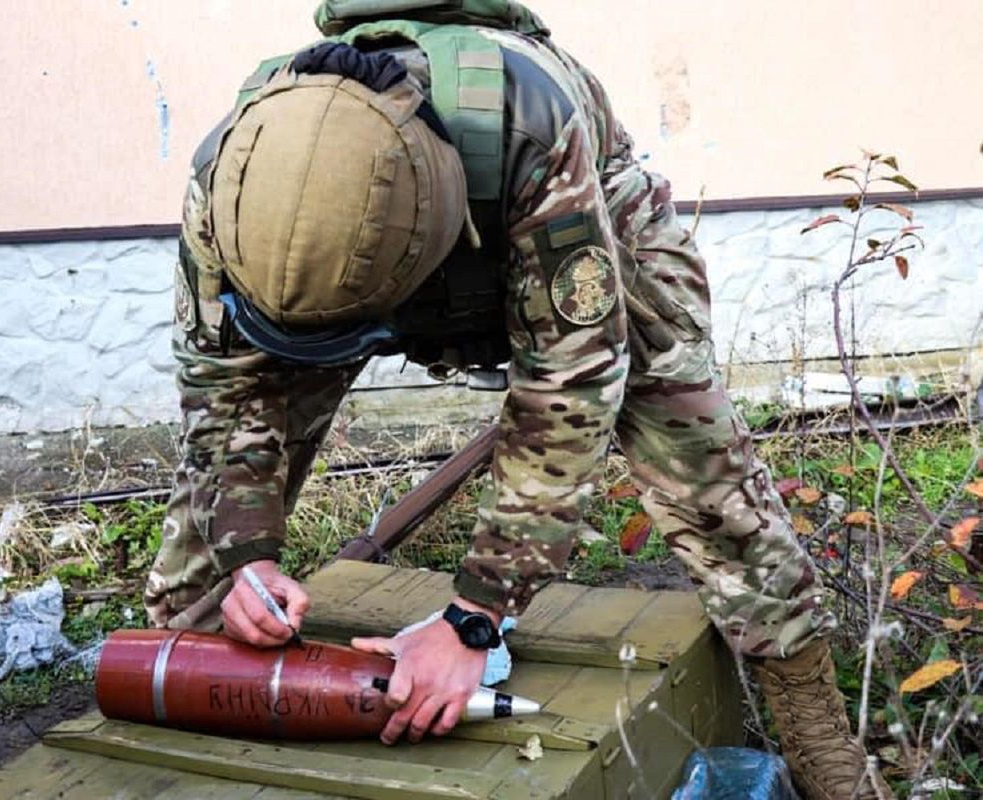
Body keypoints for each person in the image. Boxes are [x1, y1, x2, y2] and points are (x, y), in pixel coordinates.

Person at [144, 3, 890, 798]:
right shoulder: (228, 179)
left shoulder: (529, 129)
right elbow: (226, 395)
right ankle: (169, 680)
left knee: (711, 484)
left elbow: (569, 392)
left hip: (591, 230)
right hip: (374, 260)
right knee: (203, 556)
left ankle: (828, 756)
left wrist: (475, 617)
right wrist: (245, 555)